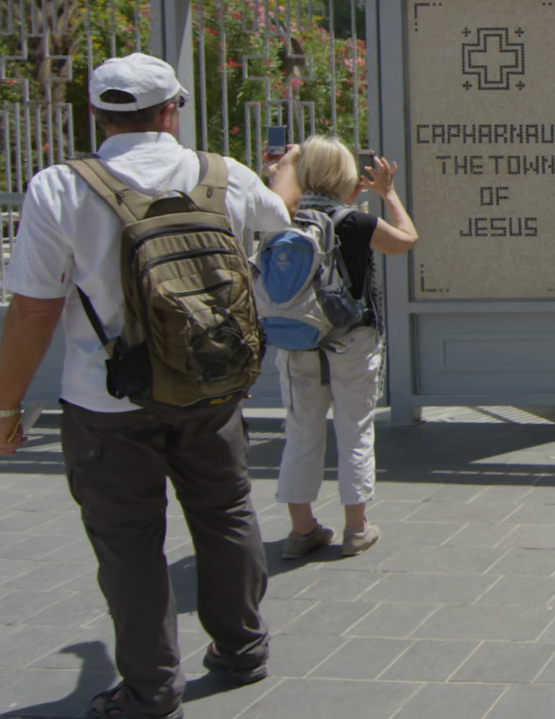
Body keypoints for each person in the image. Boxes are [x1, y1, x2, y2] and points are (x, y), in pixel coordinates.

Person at [0, 54, 292, 719]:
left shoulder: (60, 188)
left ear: (97, 114)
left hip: (105, 399)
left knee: (129, 541)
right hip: (211, 385)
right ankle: (242, 647)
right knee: (225, 514)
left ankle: (152, 690)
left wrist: (7, 404)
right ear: (171, 111)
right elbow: (283, 229)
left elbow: (34, 311)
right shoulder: (224, 174)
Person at [274, 135, 418, 562]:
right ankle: (356, 528)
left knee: (301, 431)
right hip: (352, 340)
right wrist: (388, 193)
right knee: (354, 430)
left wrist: (286, 164)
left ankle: (302, 529)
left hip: (298, 339)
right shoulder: (355, 222)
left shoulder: (283, 215)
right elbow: (406, 240)